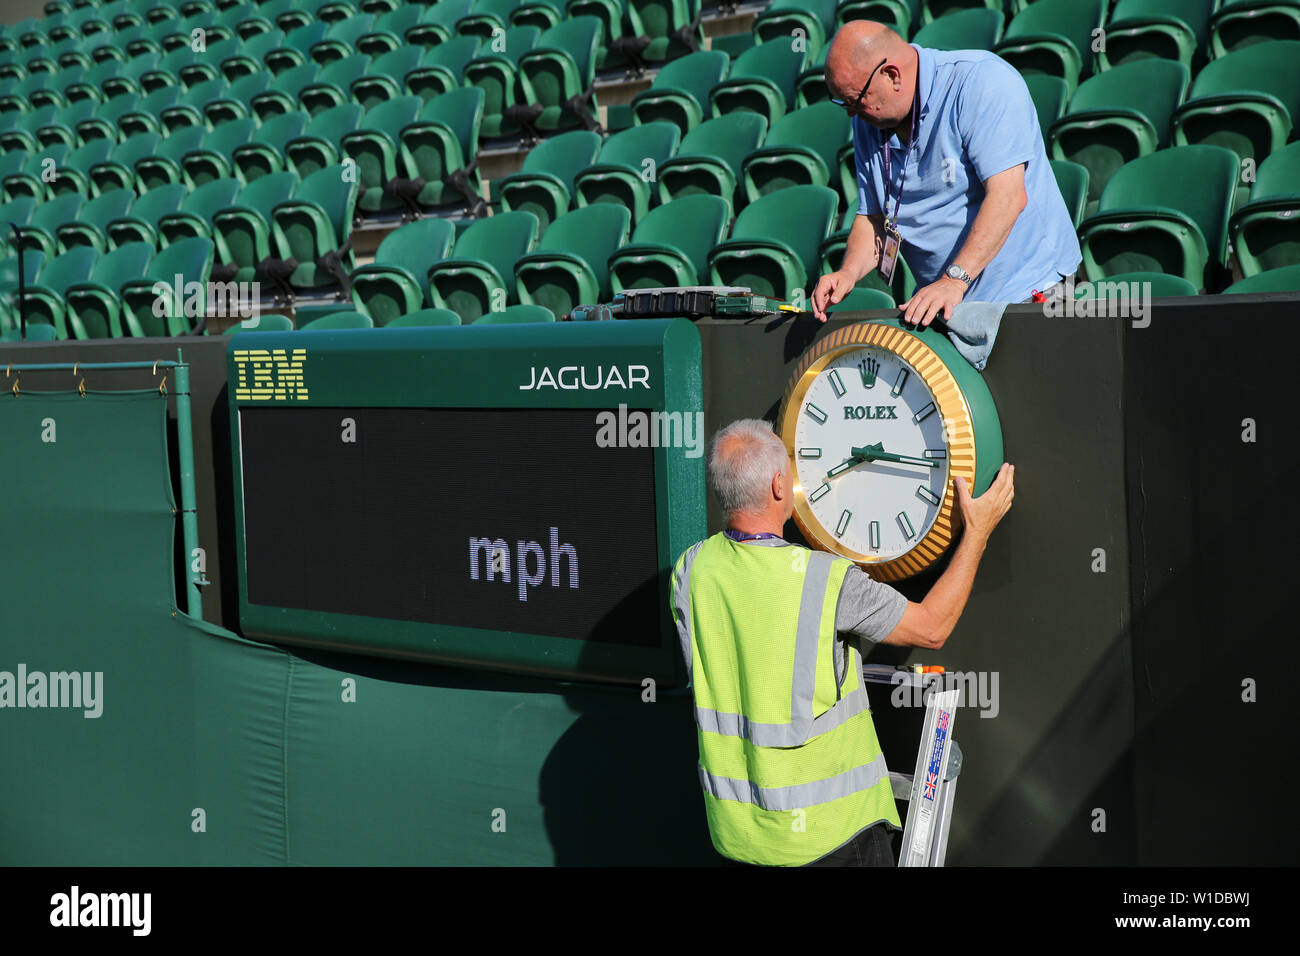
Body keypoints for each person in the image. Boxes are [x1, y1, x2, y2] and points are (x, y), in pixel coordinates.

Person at [670, 419, 1014, 866]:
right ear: (779, 485)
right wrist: (978, 532)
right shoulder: (823, 579)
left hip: (737, 841)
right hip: (830, 842)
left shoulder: (690, 570)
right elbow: (932, 628)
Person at [811, 20, 1082, 325]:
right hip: (946, 304)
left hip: (1028, 295)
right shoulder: (867, 121)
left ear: (891, 76)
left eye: (855, 100)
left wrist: (954, 279)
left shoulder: (980, 81)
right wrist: (848, 272)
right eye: (843, 102)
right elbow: (873, 217)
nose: (850, 112)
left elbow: (1008, 196)